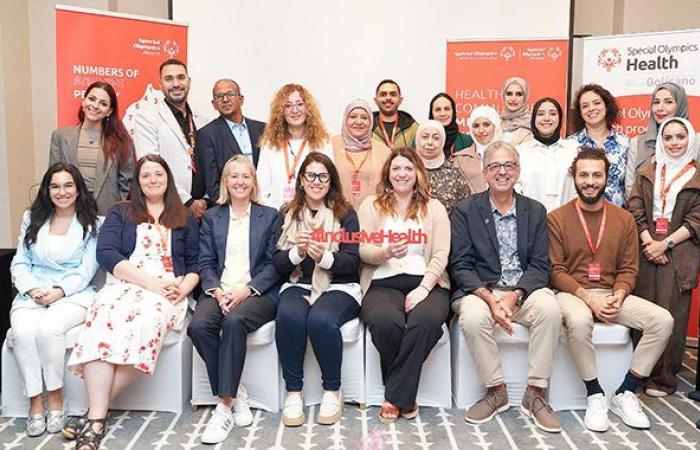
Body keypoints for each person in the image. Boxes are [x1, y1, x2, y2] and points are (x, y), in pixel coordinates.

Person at [65, 155, 199, 450]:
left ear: (168, 179)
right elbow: (108, 254)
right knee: (102, 320)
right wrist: (150, 283)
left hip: (168, 291)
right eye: (146, 175)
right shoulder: (120, 212)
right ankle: (97, 417)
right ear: (137, 181)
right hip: (126, 284)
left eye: (158, 174)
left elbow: (195, 264)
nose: (153, 180)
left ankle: (93, 416)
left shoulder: (184, 216)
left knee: (146, 322)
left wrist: (183, 289)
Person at [549, 148, 673, 432]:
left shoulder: (624, 219)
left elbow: (629, 268)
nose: (590, 181)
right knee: (579, 321)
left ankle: (625, 392)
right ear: (574, 177)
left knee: (663, 320)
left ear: (606, 178)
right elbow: (556, 271)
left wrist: (618, 294)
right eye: (583, 175)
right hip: (574, 294)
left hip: (612, 293)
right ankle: (595, 394)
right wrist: (588, 298)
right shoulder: (557, 217)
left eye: (596, 174)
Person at [450, 141, 562, 433]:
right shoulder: (465, 210)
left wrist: (515, 295)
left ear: (518, 171)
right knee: (473, 317)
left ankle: (535, 394)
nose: (502, 172)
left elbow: (540, 265)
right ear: (485, 173)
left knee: (550, 309)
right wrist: (490, 298)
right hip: (481, 290)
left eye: (509, 165)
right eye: (495, 166)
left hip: (522, 289)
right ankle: (496, 391)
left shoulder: (535, 211)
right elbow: (460, 265)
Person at [188, 156, 281, 444]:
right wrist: (216, 290)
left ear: (254, 182)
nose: (240, 182)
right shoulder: (213, 216)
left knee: (235, 321)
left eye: (246, 176)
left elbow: (274, 265)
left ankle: (223, 407)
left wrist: (247, 289)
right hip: (220, 290)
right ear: (225, 182)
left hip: (258, 293)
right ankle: (236, 391)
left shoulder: (270, 216)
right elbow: (205, 262)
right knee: (199, 326)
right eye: (234, 176)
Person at [358, 148, 451, 424]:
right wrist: (385, 251)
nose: (402, 174)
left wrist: (423, 288)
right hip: (382, 281)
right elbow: (363, 250)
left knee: (426, 322)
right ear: (388, 173)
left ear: (418, 173)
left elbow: (441, 253)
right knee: (387, 322)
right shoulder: (370, 205)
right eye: (396, 168)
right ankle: (406, 397)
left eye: (408, 168)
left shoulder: (434, 207)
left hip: (428, 282)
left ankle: (394, 396)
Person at [10, 163, 99, 437]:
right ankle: (35, 402)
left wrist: (60, 291)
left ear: (78, 189)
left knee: (49, 329)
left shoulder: (93, 222)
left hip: (73, 294)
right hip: (33, 292)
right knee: (23, 332)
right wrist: (31, 289)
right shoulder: (31, 219)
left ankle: (56, 396)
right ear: (48, 191)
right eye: (55, 186)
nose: (62, 192)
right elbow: (20, 262)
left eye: (68, 185)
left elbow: (87, 270)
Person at [273, 152, 361, 427]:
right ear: (301, 180)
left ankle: (332, 389)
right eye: (310, 175)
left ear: (331, 180)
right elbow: (276, 263)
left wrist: (324, 257)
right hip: (298, 282)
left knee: (321, 319)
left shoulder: (346, 215)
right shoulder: (287, 214)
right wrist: (297, 253)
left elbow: (353, 261)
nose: (316, 181)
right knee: (289, 315)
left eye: (323, 176)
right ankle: (294, 392)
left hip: (339, 285)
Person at [628, 117, 699, 397]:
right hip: (645, 247)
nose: (674, 142)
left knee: (672, 313)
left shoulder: (696, 175)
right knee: (642, 310)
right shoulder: (647, 171)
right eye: (668, 137)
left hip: (679, 250)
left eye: (680, 137)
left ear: (690, 139)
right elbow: (634, 206)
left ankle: (663, 378)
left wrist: (665, 244)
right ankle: (636, 374)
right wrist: (648, 240)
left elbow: (697, 218)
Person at [127, 58, 210, 218]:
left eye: (181, 77)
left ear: (189, 81)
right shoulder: (147, 116)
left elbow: (208, 162)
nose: (176, 84)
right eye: (169, 79)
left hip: (205, 209)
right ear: (160, 84)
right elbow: (151, 165)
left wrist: (205, 199)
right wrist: (188, 201)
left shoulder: (201, 119)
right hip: (168, 205)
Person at [49, 81, 134, 215]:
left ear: (109, 111)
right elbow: (53, 177)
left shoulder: (121, 141)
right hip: (69, 211)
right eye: (92, 99)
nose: (95, 106)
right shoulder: (60, 136)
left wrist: (116, 207)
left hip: (107, 214)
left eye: (103, 103)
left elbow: (127, 181)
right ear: (83, 102)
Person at [257, 83, 333, 210]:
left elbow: (329, 183)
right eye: (288, 105)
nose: (295, 110)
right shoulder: (270, 145)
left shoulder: (322, 143)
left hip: (313, 214)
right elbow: (260, 188)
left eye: (300, 104)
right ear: (281, 111)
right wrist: (277, 212)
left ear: (308, 108)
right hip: (277, 216)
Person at [198, 79, 266, 200]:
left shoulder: (263, 129)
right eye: (219, 96)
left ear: (241, 99)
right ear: (214, 104)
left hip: (264, 203)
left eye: (230, 94)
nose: (225, 100)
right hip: (231, 207)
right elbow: (212, 183)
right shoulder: (207, 134)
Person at [569, 84, 630, 207]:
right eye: (585, 106)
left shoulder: (625, 143)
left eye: (596, 103)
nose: (591, 108)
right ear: (580, 113)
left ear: (606, 106)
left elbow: (630, 186)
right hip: (579, 215)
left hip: (617, 218)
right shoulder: (570, 144)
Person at [628, 83, 700, 187]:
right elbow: (630, 186)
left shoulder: (696, 141)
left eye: (668, 102)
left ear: (680, 105)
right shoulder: (637, 142)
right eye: (656, 102)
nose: (660, 108)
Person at [517, 98, 578, 212]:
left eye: (552, 114)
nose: (546, 118)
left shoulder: (574, 149)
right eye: (540, 114)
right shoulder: (520, 152)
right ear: (533, 119)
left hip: (566, 222)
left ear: (560, 118)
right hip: (530, 222)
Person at [332, 99, 391, 210]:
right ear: (345, 120)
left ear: (371, 122)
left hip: (375, 215)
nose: (358, 122)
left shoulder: (384, 151)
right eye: (353, 117)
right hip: (338, 215)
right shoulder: (331, 146)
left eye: (364, 117)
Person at [415, 120, 470, 214]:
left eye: (436, 138)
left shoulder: (454, 173)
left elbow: (465, 211)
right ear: (417, 140)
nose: (430, 142)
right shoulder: (406, 171)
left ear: (443, 141)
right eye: (425, 137)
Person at [450, 105, 503, 194]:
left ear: (496, 126)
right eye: (476, 126)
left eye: (486, 125)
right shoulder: (459, 158)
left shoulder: (510, 154)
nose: (481, 130)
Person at [372, 79, 418, 150]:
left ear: (400, 100)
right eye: (383, 94)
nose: (388, 98)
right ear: (376, 100)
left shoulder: (413, 128)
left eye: (393, 94)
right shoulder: (366, 127)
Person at [428, 92, 473, 158]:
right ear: (431, 114)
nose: (442, 113)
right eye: (437, 110)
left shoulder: (467, 141)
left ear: (453, 111)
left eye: (447, 109)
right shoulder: (421, 140)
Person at [499, 77, 533, 146]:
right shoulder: (495, 122)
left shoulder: (533, 123)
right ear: (503, 96)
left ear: (525, 97)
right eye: (509, 94)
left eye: (519, 94)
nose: (513, 99)